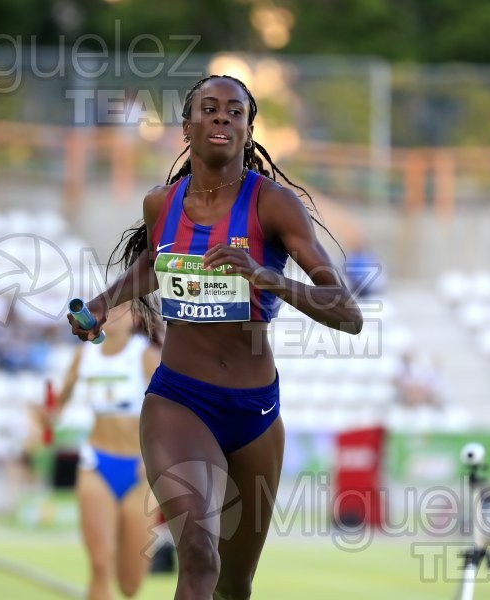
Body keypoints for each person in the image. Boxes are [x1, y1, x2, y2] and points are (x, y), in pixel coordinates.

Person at [67, 75, 363, 600]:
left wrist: (263, 274)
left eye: (236, 111)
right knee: (199, 555)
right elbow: (152, 267)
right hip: (179, 399)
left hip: (255, 412)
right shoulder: (161, 204)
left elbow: (346, 312)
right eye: (210, 108)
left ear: (248, 131)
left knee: (235, 585)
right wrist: (100, 303)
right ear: (187, 127)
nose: (223, 117)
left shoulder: (274, 206)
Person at [56, 302, 161, 600]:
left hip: (139, 471)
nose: (112, 316)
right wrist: (45, 417)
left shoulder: (145, 356)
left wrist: (155, 456)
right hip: (96, 464)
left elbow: (172, 411)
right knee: (100, 564)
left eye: (122, 309)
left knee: (130, 584)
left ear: (136, 317)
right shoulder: (84, 355)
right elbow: (57, 403)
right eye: (108, 309)